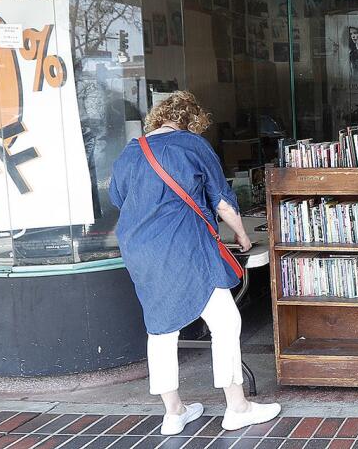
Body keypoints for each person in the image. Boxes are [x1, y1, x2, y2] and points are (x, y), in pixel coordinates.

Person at [110, 91, 281, 435]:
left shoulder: (131, 151)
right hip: (186, 247)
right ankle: (238, 407)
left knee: (160, 329)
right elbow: (222, 201)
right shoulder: (192, 146)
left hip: (139, 248)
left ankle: (173, 413)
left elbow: (118, 197)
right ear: (192, 121)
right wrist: (243, 238)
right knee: (225, 321)